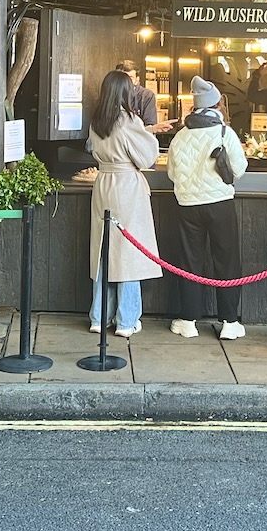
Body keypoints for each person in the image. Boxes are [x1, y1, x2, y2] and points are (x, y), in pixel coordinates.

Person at [165, 75, 248, 340]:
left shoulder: (180, 136)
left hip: (188, 205)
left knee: (190, 261)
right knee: (226, 260)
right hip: (220, 204)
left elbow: (171, 174)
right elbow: (239, 169)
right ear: (216, 106)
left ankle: (188, 320)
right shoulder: (225, 132)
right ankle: (230, 322)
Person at [86, 69, 162, 337]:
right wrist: (150, 133)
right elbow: (147, 156)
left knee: (103, 252)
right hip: (126, 187)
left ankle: (99, 316)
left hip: (103, 183)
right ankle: (126, 320)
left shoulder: (97, 120)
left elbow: (94, 150)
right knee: (128, 255)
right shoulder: (129, 120)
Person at [115, 59, 174, 133]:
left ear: (137, 80)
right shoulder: (111, 95)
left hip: (139, 141)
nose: (126, 82)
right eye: (123, 78)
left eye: (130, 78)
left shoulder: (147, 96)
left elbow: (150, 126)